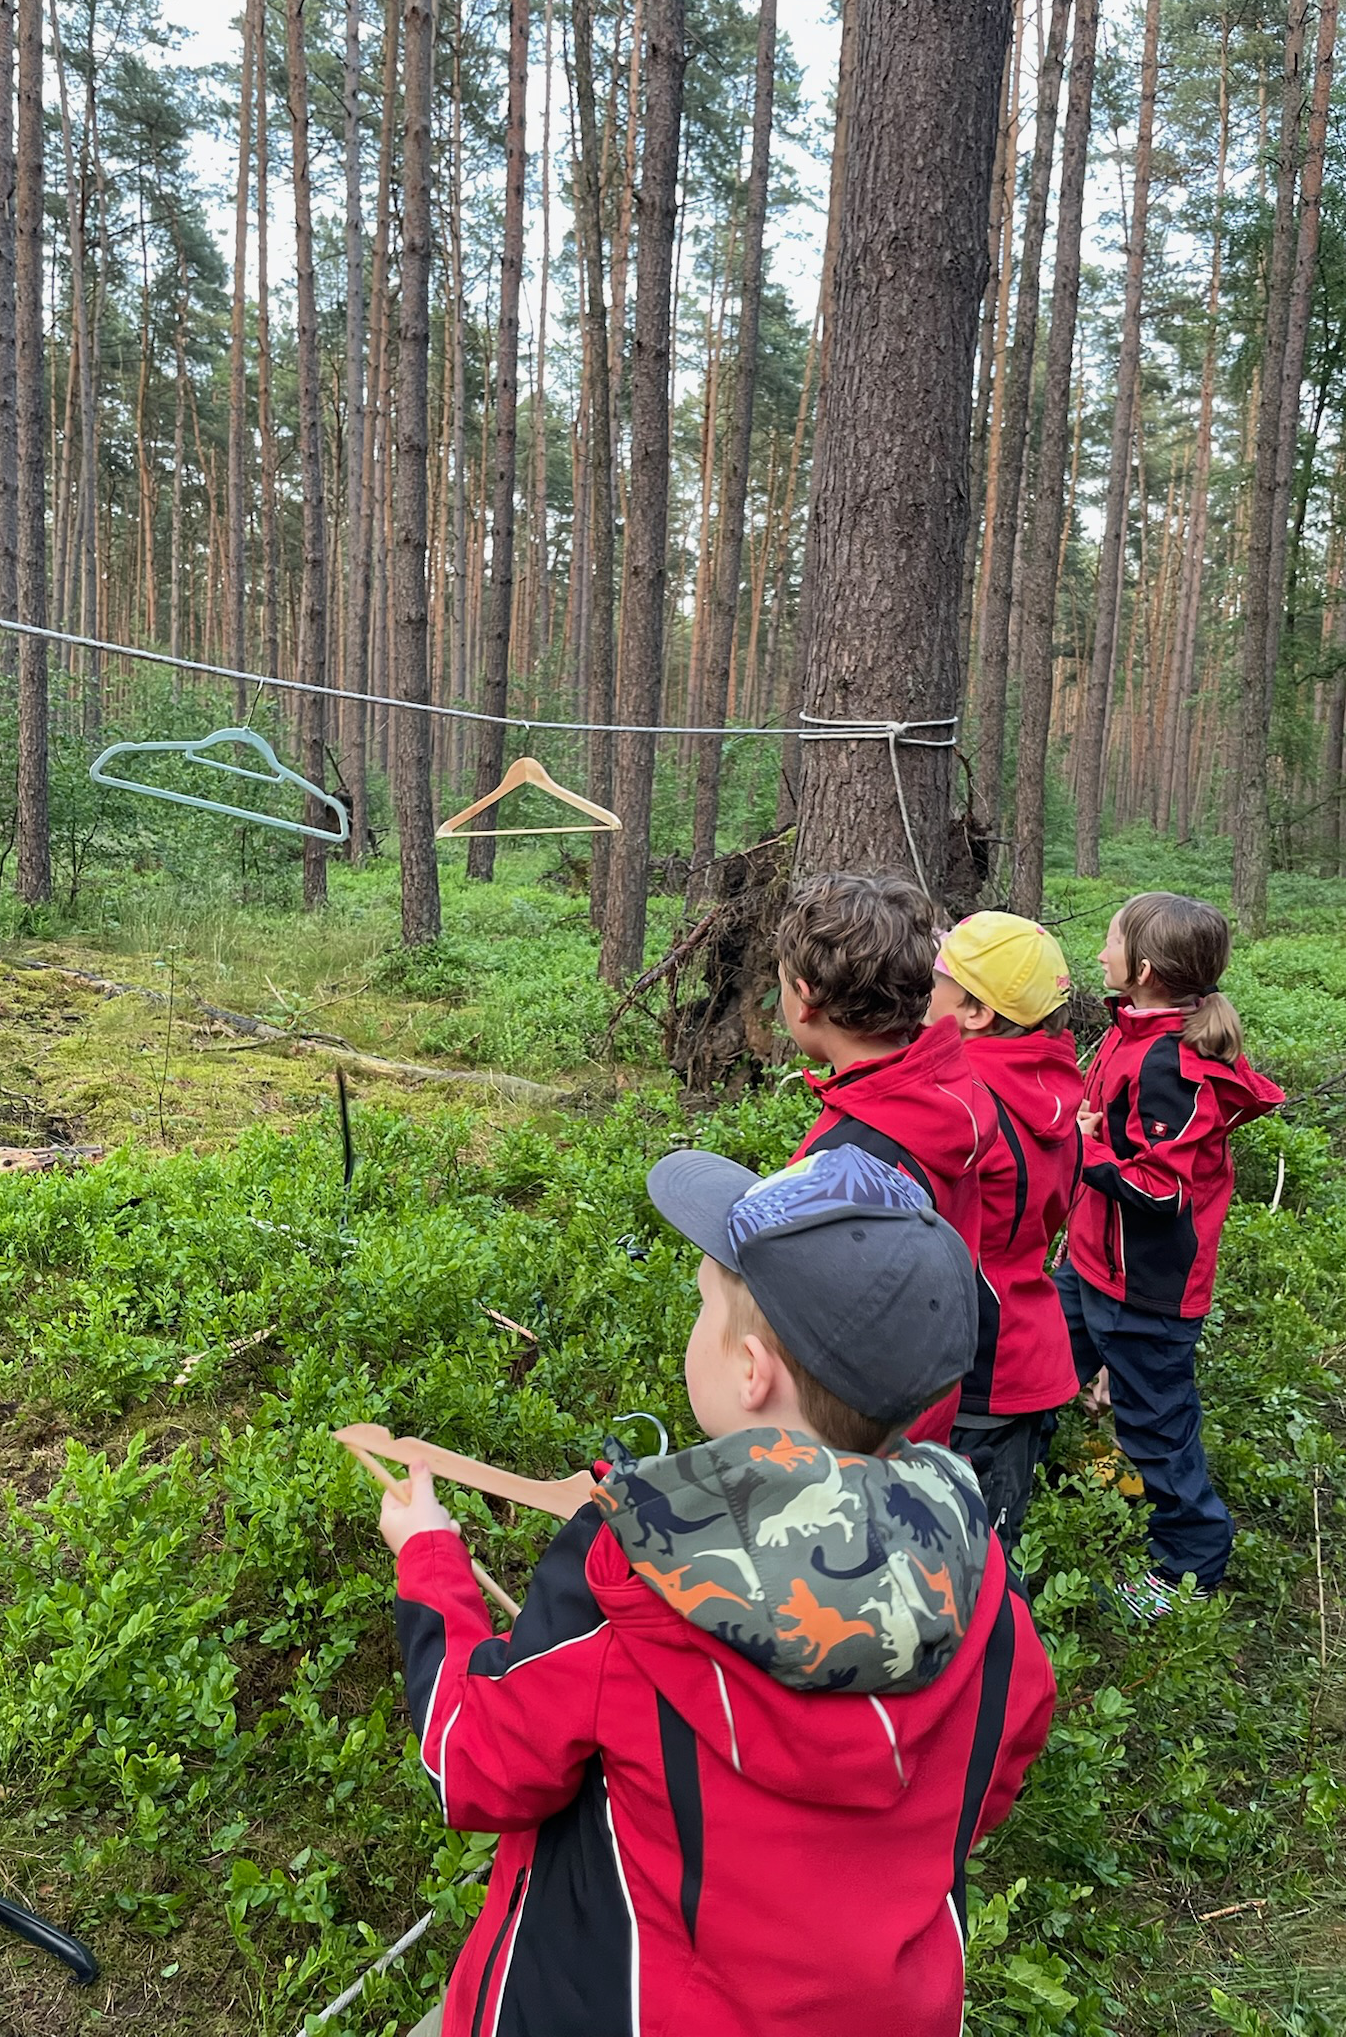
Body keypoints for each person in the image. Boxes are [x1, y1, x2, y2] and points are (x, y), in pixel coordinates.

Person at [382, 1143, 1056, 2037]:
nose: (692, 1321)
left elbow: (475, 1766)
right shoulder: (988, 1605)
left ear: (751, 1370)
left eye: (703, 1304)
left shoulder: (628, 1586)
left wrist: (430, 1560)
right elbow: (986, 1791)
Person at [1055, 893, 1284, 1616]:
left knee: (1157, 1428)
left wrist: (1086, 1148)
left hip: (1143, 1288)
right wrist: (1093, 1128)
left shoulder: (1170, 1063)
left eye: (1111, 940)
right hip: (1092, 1264)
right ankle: (1019, 1488)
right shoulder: (1134, 1031)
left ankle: (1189, 1567)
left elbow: (1159, 1193)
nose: (1098, 953)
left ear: (1145, 969)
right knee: (1034, 1369)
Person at [776, 871, 999, 1444]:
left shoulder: (856, 1153)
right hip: (925, 1415)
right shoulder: (946, 1093)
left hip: (855, 1442)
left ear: (805, 999)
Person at [928, 912, 1083, 1557]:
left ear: (975, 1013)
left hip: (978, 1369)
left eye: (939, 981)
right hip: (1030, 1345)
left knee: (964, 1560)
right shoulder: (1050, 1088)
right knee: (996, 1536)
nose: (925, 994)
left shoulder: (966, 1103)